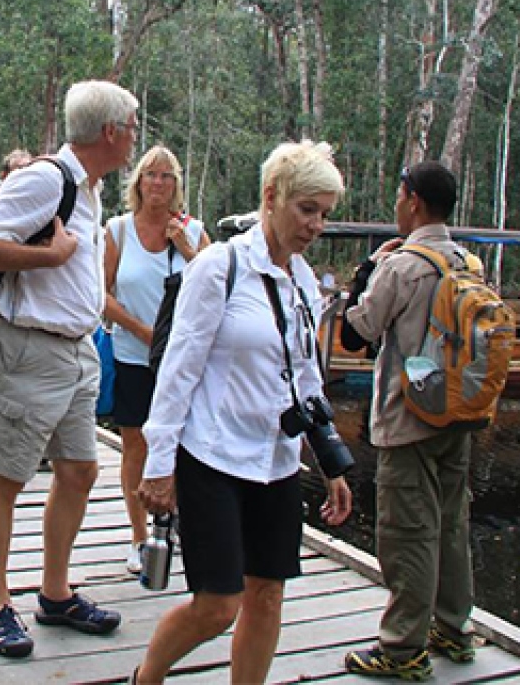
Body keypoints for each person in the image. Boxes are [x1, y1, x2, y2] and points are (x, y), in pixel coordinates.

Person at [136, 140, 353, 684]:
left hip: (275, 460)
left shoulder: (304, 280)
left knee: (268, 595)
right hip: (212, 455)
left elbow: (305, 376)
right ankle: (148, 676)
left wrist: (331, 461)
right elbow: (179, 370)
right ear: (271, 196)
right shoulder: (218, 267)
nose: (316, 225)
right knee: (217, 605)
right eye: (308, 209)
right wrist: (159, 462)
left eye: (325, 214)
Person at [0, 80, 139, 659]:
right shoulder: (46, 179)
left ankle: (55, 594)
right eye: (133, 125)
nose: (136, 136)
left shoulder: (89, 189)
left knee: (81, 471)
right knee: (8, 476)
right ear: (110, 131)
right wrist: (49, 256)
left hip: (76, 352)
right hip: (26, 351)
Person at [340, 161, 478, 680]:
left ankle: (403, 649)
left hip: (408, 417)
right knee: (452, 524)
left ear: (414, 200)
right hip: (459, 411)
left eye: (400, 195)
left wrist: (365, 273)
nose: (397, 204)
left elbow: (358, 333)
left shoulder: (402, 265)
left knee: (407, 533)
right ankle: (453, 628)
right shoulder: (468, 261)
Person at [102, 145, 211, 573]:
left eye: (167, 177)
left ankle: (175, 522)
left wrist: (186, 249)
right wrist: (143, 332)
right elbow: (101, 294)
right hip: (133, 356)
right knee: (135, 444)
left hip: (181, 360)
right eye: (151, 175)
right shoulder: (118, 230)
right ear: (138, 183)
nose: (159, 184)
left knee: (185, 444)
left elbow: (218, 284)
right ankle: (139, 536)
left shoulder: (193, 230)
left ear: (176, 185)